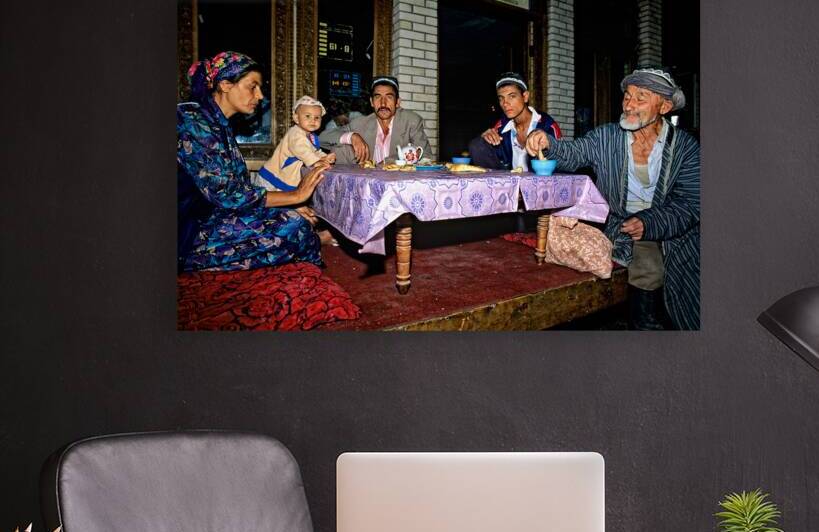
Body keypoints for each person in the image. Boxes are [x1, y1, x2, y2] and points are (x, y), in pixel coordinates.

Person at [526, 67, 700, 330]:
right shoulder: (607, 137)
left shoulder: (686, 148)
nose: (629, 105)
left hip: (673, 235)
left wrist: (650, 222)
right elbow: (575, 152)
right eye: (627, 96)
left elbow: (690, 203)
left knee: (660, 275)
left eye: (641, 98)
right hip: (620, 228)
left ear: (663, 107)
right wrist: (548, 143)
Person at [177, 51, 328, 272]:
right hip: (189, 232)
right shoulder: (192, 121)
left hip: (216, 216)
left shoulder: (219, 125)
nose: (259, 96)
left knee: (297, 223)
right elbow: (228, 196)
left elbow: (240, 190)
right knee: (295, 227)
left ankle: (305, 252)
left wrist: (291, 205)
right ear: (226, 84)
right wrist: (295, 196)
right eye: (252, 86)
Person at [319, 76, 432, 164]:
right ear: (372, 102)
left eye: (389, 97)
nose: (383, 103)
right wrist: (352, 137)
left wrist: (389, 162)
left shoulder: (411, 121)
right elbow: (323, 138)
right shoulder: (361, 123)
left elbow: (425, 155)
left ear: (397, 102)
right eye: (378, 97)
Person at [468, 72, 561, 171]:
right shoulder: (501, 127)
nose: (505, 103)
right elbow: (487, 154)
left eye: (512, 96)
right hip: (508, 183)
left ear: (525, 97)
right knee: (477, 144)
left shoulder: (548, 126)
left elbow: (561, 163)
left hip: (540, 183)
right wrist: (485, 140)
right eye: (501, 98)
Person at [257, 95, 336, 192]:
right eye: (308, 116)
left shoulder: (311, 136)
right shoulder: (295, 133)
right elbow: (301, 149)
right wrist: (315, 162)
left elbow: (313, 151)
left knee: (285, 198)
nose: (313, 120)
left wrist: (325, 157)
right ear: (296, 118)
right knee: (266, 201)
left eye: (317, 117)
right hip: (271, 177)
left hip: (284, 176)